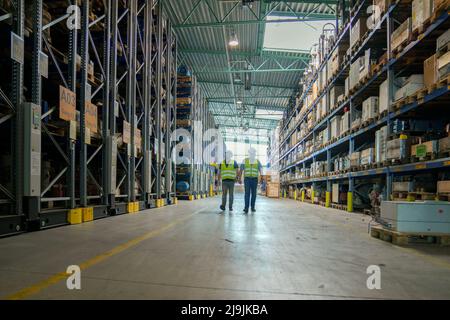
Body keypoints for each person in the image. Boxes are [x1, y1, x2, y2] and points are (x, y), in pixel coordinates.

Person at [239, 147, 262, 214]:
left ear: (255, 154)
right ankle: (246, 208)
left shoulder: (257, 161)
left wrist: (262, 178)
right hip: (247, 179)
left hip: (255, 179)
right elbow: (241, 170)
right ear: (249, 153)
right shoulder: (245, 161)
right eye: (251, 153)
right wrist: (239, 178)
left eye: (253, 153)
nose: (252, 154)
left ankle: (252, 207)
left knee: (254, 194)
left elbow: (261, 170)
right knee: (247, 194)